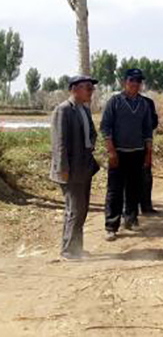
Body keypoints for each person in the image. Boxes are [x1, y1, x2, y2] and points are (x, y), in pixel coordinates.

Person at [50, 75, 100, 259]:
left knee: (82, 208)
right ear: (74, 89)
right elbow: (59, 143)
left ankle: (76, 247)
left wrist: (88, 146)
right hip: (69, 170)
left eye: (91, 88)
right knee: (74, 209)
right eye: (88, 88)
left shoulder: (84, 110)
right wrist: (62, 168)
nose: (91, 91)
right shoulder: (63, 110)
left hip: (84, 167)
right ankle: (68, 249)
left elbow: (92, 133)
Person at [101, 68, 153, 241]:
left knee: (134, 188)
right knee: (115, 190)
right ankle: (111, 226)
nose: (135, 84)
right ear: (125, 82)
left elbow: (147, 130)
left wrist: (148, 154)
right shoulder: (114, 102)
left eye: (139, 81)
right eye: (132, 80)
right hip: (118, 153)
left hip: (137, 152)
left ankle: (130, 219)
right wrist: (111, 152)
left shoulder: (144, 104)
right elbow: (105, 128)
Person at [139, 94, 159, 215]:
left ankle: (146, 206)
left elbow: (154, 123)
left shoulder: (148, 102)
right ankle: (129, 209)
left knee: (146, 175)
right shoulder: (118, 101)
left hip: (145, 144)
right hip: (125, 146)